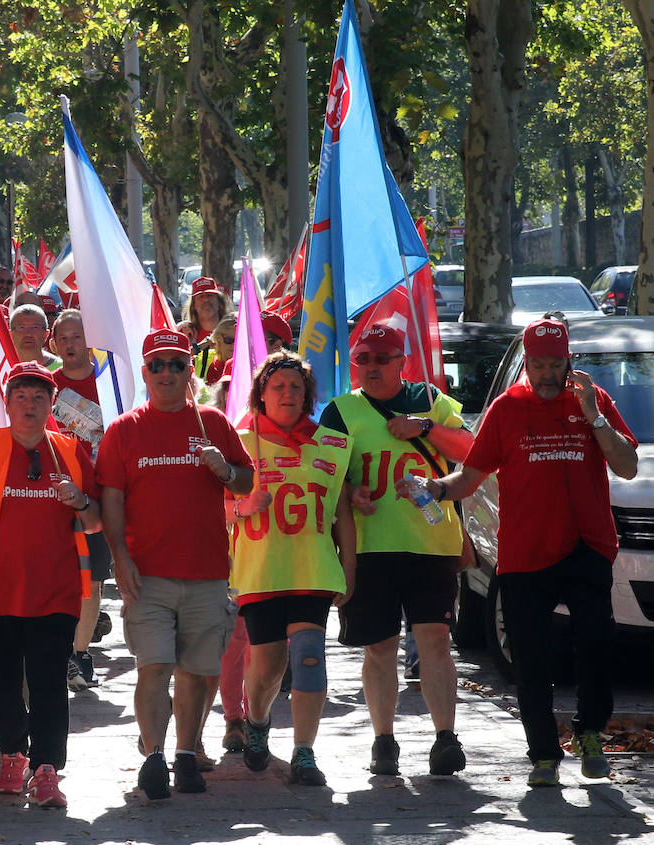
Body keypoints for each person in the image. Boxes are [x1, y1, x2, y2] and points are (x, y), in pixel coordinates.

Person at [405, 317, 638, 787]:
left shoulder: (592, 402)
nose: (547, 374)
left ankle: (590, 733)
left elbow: (628, 466)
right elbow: (469, 478)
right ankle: (544, 755)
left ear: (568, 361)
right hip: (526, 555)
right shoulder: (506, 410)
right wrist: (433, 487)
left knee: (596, 644)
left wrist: (593, 413)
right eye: (538, 365)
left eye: (556, 364)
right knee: (530, 658)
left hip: (587, 546)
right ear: (526, 364)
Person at [97, 328, 254, 799]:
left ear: (190, 372)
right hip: (147, 575)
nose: (167, 373)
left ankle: (186, 755)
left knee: (196, 671)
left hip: (206, 572)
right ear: (144, 372)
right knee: (154, 667)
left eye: (177, 365)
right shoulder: (124, 429)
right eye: (157, 365)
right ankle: (153, 757)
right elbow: (111, 499)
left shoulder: (212, 423)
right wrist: (119, 558)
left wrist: (223, 470)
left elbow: (246, 482)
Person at [0, 360, 101, 807]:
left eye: (39, 397)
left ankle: (47, 769)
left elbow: (94, 521)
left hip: (54, 589)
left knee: (49, 680)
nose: (30, 405)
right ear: (7, 403)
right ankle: (12, 756)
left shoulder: (70, 451)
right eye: (21, 397)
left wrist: (82, 499)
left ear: (52, 404)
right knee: (1, 681)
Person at [320, 322, 474, 777]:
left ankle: (445, 737)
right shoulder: (341, 411)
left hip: (432, 546)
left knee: (435, 640)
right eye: (363, 359)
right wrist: (351, 494)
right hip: (370, 549)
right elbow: (326, 475)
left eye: (382, 359)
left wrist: (424, 427)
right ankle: (383, 740)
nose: (371, 367)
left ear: (401, 362)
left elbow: (472, 449)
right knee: (379, 647)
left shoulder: (431, 401)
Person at [226, 352, 357, 785]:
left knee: (309, 657)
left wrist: (349, 568)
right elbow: (214, 510)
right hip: (260, 570)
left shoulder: (332, 444)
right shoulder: (240, 443)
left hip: (313, 569)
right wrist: (243, 506)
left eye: (296, 387)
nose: (287, 394)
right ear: (261, 394)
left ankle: (305, 753)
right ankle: (258, 723)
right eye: (278, 387)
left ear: (308, 396)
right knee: (266, 664)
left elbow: (341, 513)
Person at [50, 309, 110, 690]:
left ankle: (81, 653)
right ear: (53, 343)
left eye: (78, 336)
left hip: (98, 498)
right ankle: (58, 653)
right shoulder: (46, 384)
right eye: (64, 337)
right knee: (59, 578)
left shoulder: (109, 383)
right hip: (53, 497)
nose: (71, 344)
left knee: (93, 580)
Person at [10, 304, 60, 369]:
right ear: (10, 334)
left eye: (35, 327)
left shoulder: (62, 369)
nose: (28, 334)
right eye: (21, 327)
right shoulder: (0, 368)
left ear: (46, 334)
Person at [184, 277, 231, 345]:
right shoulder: (186, 333)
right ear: (194, 305)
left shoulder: (233, 331)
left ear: (219, 302)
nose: (206, 300)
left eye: (210, 295)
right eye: (201, 296)